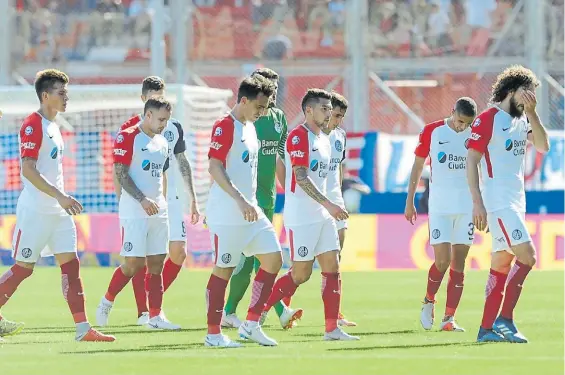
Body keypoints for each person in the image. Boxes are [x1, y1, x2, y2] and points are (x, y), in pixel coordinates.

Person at [0, 69, 114, 342]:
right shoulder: (33, 124)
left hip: (58, 213)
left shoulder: (55, 126)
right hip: (36, 212)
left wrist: (61, 200)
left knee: (71, 266)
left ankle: (83, 329)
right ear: (45, 95)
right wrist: (60, 196)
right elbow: (27, 170)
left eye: (67, 92)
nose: (67, 98)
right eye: (61, 93)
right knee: (24, 268)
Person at [262, 88, 359, 341]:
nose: (329, 114)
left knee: (332, 266)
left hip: (325, 214)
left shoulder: (327, 139)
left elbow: (329, 176)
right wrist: (329, 204)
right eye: (325, 109)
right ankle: (257, 313)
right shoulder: (297, 137)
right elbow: (301, 177)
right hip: (302, 216)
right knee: (300, 274)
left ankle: (332, 329)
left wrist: (332, 204)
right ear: (309, 110)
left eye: (331, 110)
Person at [466, 65, 550, 343]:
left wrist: (533, 113)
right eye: (527, 94)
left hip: (516, 202)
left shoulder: (522, 120)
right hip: (498, 202)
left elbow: (542, 146)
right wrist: (477, 204)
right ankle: (506, 319)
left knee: (502, 263)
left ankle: (486, 329)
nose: (530, 99)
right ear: (512, 91)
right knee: (528, 256)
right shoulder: (489, 118)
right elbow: (472, 161)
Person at [113, 76, 199, 325]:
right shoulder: (130, 129)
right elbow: (120, 168)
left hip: (172, 198)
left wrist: (192, 198)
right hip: (143, 198)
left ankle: (154, 305)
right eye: (153, 97)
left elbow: (182, 162)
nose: (158, 100)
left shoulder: (174, 126)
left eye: (161, 96)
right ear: (143, 101)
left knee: (178, 253)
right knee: (142, 258)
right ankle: (145, 312)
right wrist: (125, 199)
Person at [204, 75, 283, 348]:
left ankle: (251, 324)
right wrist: (239, 200)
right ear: (244, 100)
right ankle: (213, 334)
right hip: (229, 213)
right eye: (259, 107)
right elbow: (214, 167)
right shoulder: (224, 126)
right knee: (223, 270)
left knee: (274, 259)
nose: (262, 113)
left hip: (252, 210)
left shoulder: (251, 126)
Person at [221, 68, 303, 331]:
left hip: (267, 199)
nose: (274, 90)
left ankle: (238, 312)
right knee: (251, 260)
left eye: (277, 86)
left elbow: (279, 158)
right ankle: (269, 310)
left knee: (260, 258)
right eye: (268, 85)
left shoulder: (279, 118)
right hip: (245, 201)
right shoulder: (248, 118)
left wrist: (289, 191)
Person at [96, 97, 181, 330]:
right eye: (161, 119)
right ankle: (106, 302)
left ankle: (155, 316)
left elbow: (160, 175)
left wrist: (161, 202)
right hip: (134, 209)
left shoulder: (163, 142)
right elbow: (121, 174)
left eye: (167, 120)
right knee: (133, 263)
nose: (164, 124)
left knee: (156, 263)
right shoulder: (128, 136)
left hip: (158, 210)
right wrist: (142, 200)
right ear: (148, 115)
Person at [404, 97, 478, 332]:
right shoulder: (432, 131)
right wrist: (410, 201)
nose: (461, 127)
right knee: (442, 260)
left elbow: (482, 169)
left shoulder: (475, 134)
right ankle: (428, 300)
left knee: (459, 263)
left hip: (466, 207)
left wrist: (481, 205)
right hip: (440, 207)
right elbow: (417, 166)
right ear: (452, 111)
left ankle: (449, 319)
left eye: (466, 123)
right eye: (459, 121)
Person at [321, 91, 356, 327]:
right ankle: (283, 303)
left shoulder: (340, 136)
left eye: (341, 117)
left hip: (336, 201)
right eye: (335, 115)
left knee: (337, 259)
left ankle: (335, 314)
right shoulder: (312, 136)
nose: (337, 121)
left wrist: (340, 196)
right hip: (315, 203)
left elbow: (339, 168)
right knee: (300, 268)